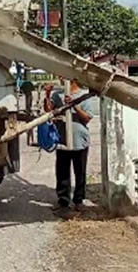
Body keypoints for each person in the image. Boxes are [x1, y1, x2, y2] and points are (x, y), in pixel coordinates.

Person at [45, 79, 94, 216]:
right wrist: (48, 95)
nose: (61, 78)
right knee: (62, 173)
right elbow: (49, 111)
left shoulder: (83, 96)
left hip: (80, 141)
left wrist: (74, 105)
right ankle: (63, 201)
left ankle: (79, 200)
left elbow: (87, 118)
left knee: (80, 172)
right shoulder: (57, 95)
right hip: (62, 140)